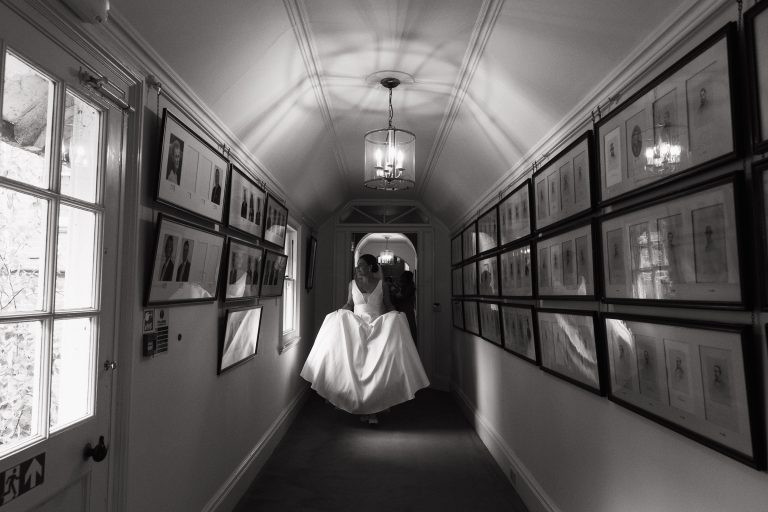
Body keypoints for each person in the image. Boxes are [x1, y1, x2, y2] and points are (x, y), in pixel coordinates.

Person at [300, 254, 429, 424]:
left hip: (377, 328)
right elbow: (349, 304)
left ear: (370, 267)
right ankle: (358, 405)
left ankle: (373, 410)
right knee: (356, 367)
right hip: (356, 328)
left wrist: (395, 316)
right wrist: (339, 313)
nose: (357, 268)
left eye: (361, 265)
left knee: (375, 370)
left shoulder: (382, 284)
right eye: (357, 265)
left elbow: (389, 304)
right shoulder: (352, 284)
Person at [392, 271, 417, 345]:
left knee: (406, 328)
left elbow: (401, 296)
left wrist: (393, 291)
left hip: (405, 310)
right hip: (407, 309)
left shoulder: (408, 287)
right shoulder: (409, 286)